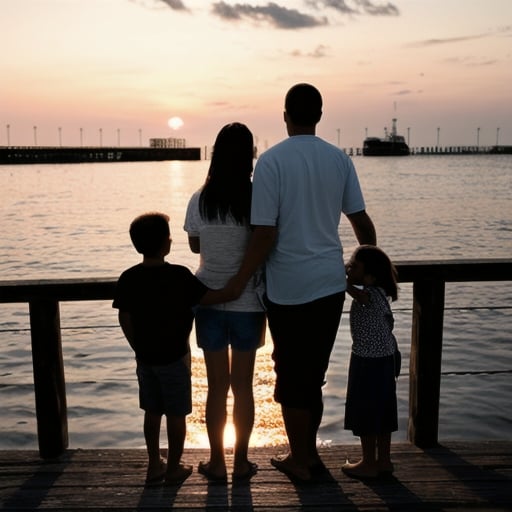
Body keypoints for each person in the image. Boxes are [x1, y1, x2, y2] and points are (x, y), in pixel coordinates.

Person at [226, 83, 377, 483]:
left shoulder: (272, 162)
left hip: (288, 288)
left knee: (291, 376)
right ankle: (307, 454)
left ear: (285, 115)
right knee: (313, 374)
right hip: (329, 284)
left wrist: (239, 279)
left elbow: (263, 233)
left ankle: (301, 459)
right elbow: (361, 222)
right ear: (320, 115)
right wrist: (372, 273)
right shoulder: (339, 160)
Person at [112, 212, 237, 486]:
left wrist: (137, 347)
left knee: (152, 411)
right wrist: (239, 284)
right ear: (166, 244)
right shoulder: (180, 276)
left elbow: (124, 317)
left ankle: (154, 465)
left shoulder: (129, 277)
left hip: (145, 359)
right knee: (177, 415)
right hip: (175, 359)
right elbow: (213, 297)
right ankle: (173, 469)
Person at [183, 122, 266, 482]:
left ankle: (217, 462)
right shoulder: (258, 197)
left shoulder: (200, 198)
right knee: (243, 386)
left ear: (215, 153)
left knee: (216, 387)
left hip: (209, 300)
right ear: (249, 155)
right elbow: (264, 243)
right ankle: (242, 462)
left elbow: (195, 246)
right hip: (248, 301)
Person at [342, 245, 399, 479]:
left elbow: (357, 295)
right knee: (383, 410)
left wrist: (339, 279)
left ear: (370, 275)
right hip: (386, 358)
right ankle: (383, 460)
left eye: (354, 266)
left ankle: (368, 463)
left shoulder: (369, 295)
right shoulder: (381, 294)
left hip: (368, 362)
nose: (348, 268)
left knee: (366, 410)